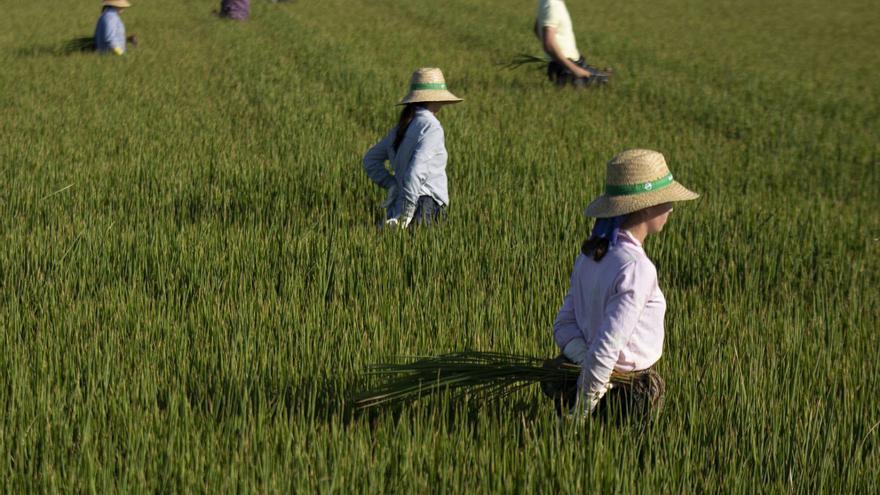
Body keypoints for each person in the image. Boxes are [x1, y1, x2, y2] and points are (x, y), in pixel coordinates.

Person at [547, 149, 699, 423]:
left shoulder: (591, 254)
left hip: (586, 379)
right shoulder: (636, 269)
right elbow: (608, 346)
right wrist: (582, 408)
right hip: (624, 397)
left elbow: (563, 325)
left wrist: (583, 361)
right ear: (645, 206)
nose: (671, 208)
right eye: (666, 201)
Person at [362, 68, 462, 229]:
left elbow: (370, 160)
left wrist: (392, 185)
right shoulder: (431, 127)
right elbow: (416, 171)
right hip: (424, 206)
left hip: (401, 203)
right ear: (436, 99)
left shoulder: (404, 124)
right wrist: (409, 211)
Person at [534, 0, 610, 86]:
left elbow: (537, 29)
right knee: (606, 82)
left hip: (569, 65)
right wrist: (574, 69)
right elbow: (549, 44)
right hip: (566, 69)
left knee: (607, 77)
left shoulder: (550, 2)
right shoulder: (553, 5)